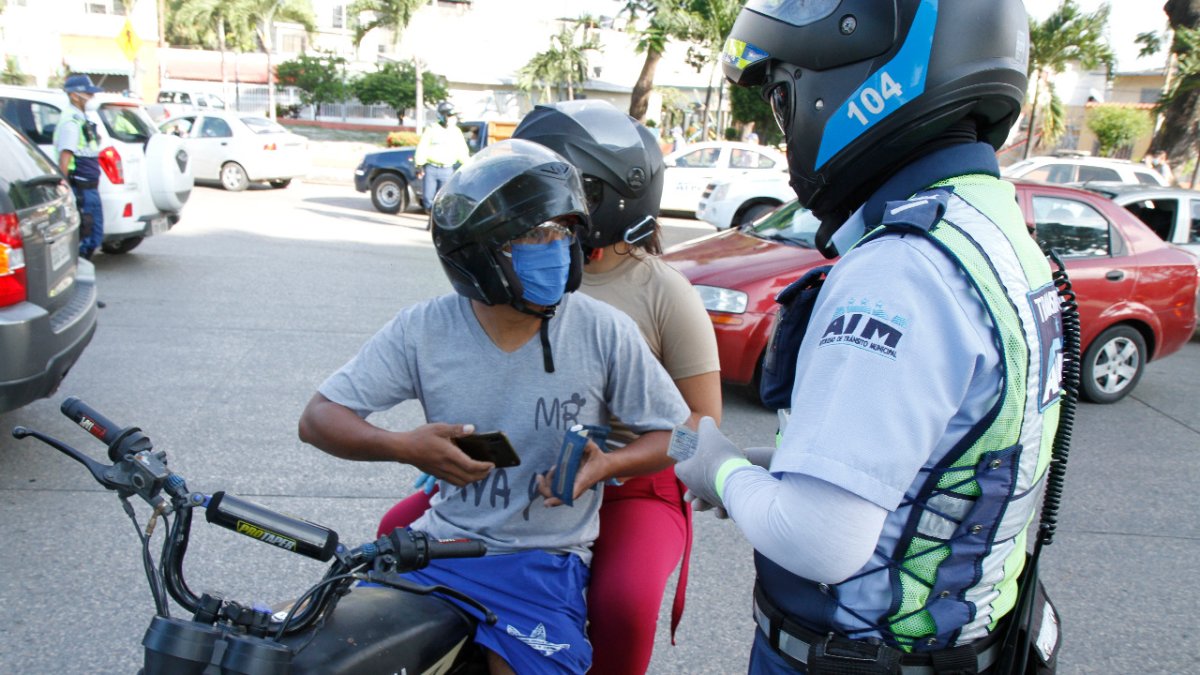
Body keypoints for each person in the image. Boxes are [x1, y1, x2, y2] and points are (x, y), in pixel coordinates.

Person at [675, 1, 1065, 673]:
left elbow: (819, 538)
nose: (785, 129)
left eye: (783, 98)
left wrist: (718, 468)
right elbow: (940, 454)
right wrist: (784, 466)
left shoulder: (901, 267)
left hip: (851, 654)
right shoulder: (987, 228)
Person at [298, 138, 691, 675]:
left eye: (563, 232)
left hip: (543, 566)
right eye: (533, 235)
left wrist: (610, 464)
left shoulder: (604, 331)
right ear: (477, 254)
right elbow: (318, 419)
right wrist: (403, 447)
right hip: (440, 549)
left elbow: (684, 437)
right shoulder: (423, 329)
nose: (554, 248)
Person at [55, 74, 105, 259]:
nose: (92, 97)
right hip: (81, 188)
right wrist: (65, 189)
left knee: (94, 234)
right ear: (74, 96)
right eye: (88, 94)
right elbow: (65, 159)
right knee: (87, 235)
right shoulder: (71, 122)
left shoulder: (82, 119)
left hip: (90, 187)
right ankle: (81, 266)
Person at [414, 101, 471, 212]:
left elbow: (462, 152)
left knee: (444, 200)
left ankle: (438, 219)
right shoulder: (432, 129)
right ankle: (431, 217)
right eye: (450, 116)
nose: (453, 118)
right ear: (443, 116)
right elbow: (422, 148)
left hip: (447, 170)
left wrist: (469, 166)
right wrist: (419, 165)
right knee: (428, 199)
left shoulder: (456, 132)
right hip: (431, 169)